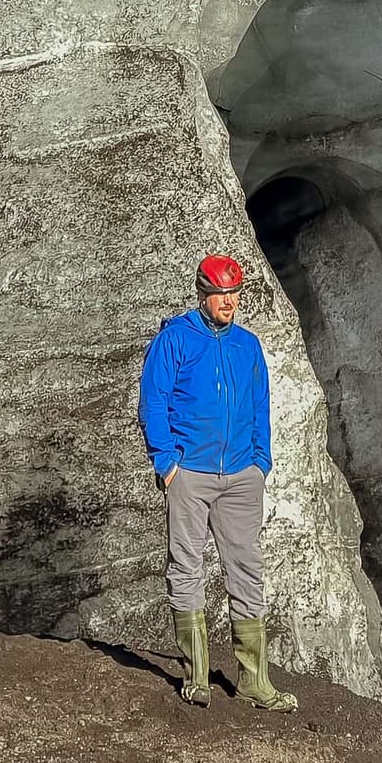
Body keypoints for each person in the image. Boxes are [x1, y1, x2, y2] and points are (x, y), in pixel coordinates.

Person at [136, 252, 298, 710]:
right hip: (190, 474)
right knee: (187, 567)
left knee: (246, 569)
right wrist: (168, 464)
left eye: (234, 293)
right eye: (221, 293)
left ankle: (254, 681)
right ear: (203, 294)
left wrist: (260, 462)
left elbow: (260, 404)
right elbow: (153, 402)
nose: (229, 301)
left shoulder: (247, 345)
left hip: (242, 475)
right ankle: (198, 676)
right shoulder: (175, 340)